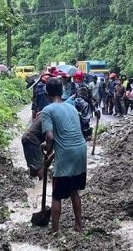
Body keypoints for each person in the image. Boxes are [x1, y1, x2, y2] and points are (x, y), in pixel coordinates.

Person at [40, 77, 87, 234]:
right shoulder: (72, 107)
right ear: (61, 92)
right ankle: (79, 226)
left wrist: (47, 150)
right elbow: (70, 133)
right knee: (74, 190)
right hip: (81, 150)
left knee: (57, 195)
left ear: (47, 94)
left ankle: (55, 230)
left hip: (66, 153)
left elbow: (50, 137)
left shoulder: (47, 110)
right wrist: (52, 152)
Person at [21, 114, 47, 179]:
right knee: (40, 166)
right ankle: (41, 183)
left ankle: (33, 183)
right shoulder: (53, 116)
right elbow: (50, 138)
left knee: (34, 165)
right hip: (32, 139)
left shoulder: (46, 111)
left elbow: (38, 114)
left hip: (27, 137)